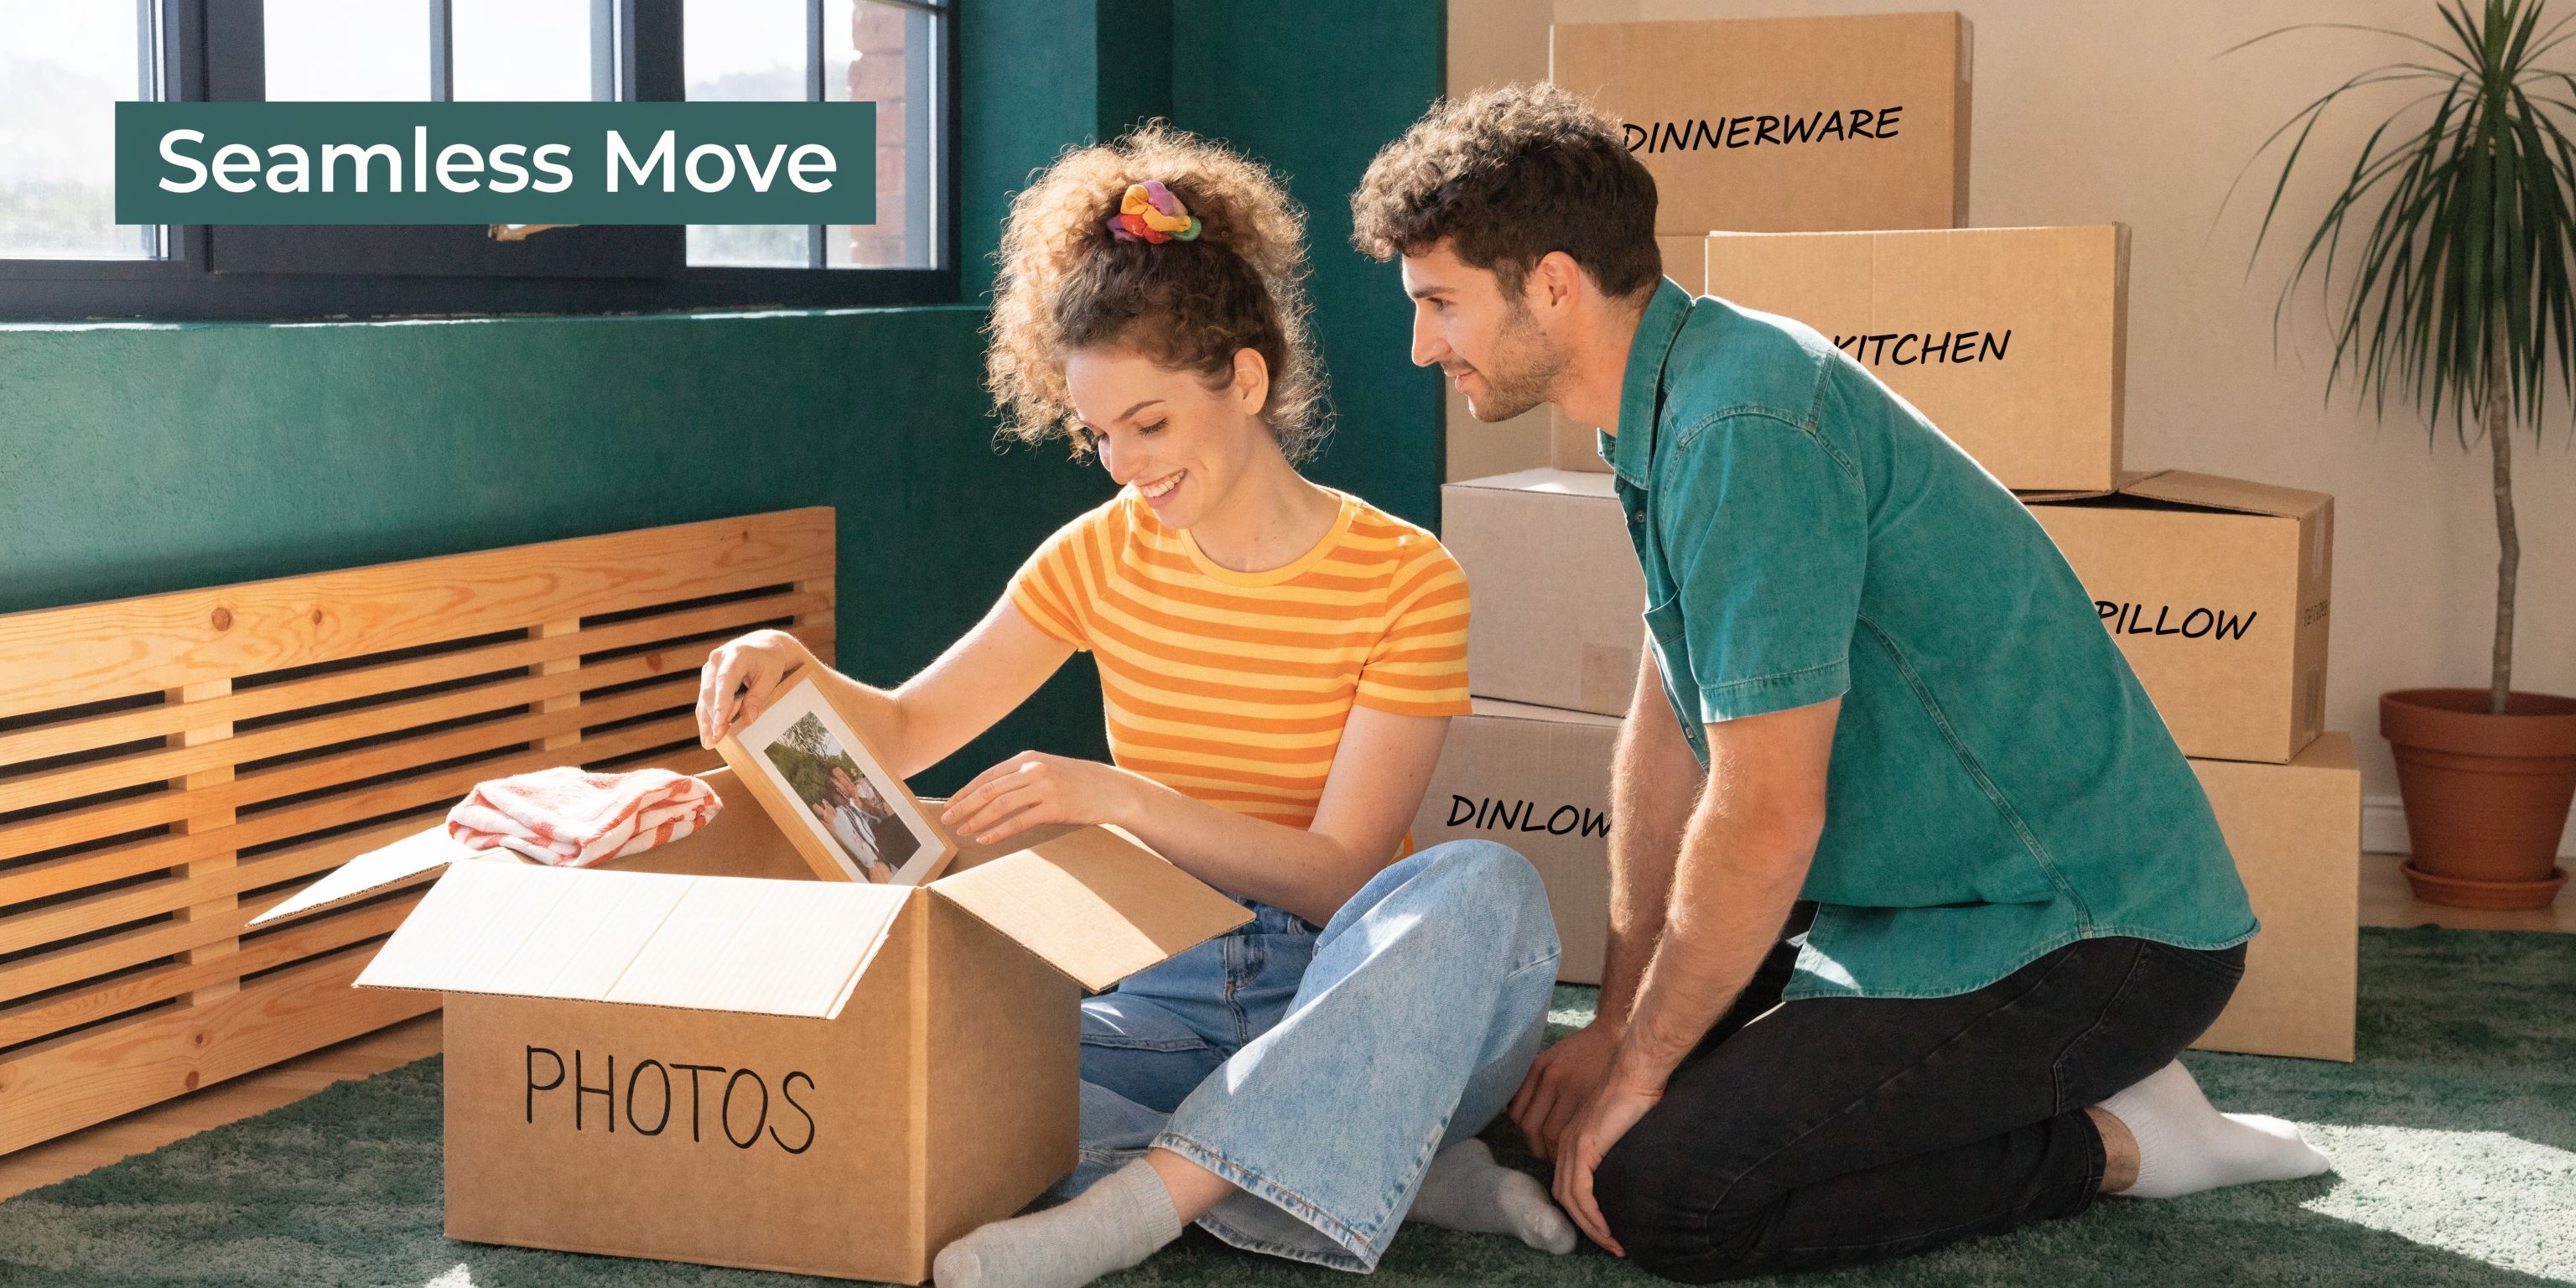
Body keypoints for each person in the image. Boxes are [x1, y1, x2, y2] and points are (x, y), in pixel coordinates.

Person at [1349, 82, 2329, 1281]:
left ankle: (2122, 1141)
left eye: (1439, 303)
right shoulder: (1672, 399)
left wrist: (1644, 1064)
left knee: (1663, 1196)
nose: (1423, 346)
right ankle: (2033, 1090)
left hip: (2089, 927)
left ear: (1552, 284)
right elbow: (1667, 735)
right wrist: (1616, 1021)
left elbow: (1766, 811)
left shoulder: (1742, 425)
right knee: (1562, 1111)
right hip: (1911, 897)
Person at [696, 123, 1571, 1288]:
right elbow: (904, 730)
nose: (1122, 465)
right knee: (918, 1078)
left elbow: (1337, 877)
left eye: (1149, 424)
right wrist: (789, 666)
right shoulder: (1097, 555)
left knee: (1484, 885)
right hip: (1160, 992)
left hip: (1357, 984)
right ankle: (1387, 1169)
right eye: (1098, 433)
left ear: (1246, 381)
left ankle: (1136, 1208)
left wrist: (1121, 801)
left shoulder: (1407, 578)